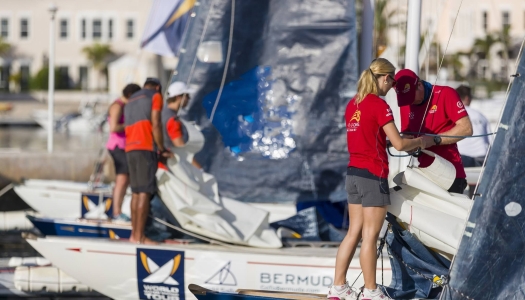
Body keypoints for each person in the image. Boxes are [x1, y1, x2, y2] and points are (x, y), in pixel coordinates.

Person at [327, 58, 434, 300]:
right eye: (393, 81)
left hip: (353, 173)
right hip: (372, 174)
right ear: (385, 78)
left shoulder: (352, 104)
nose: (392, 87)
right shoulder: (379, 104)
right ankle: (371, 292)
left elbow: (367, 136)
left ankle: (338, 287)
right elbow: (399, 143)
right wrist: (420, 141)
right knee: (370, 236)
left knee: (353, 232)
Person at [394, 69, 473, 194]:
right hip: (424, 174)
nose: (410, 102)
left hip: (450, 173)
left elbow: (466, 128)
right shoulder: (406, 103)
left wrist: (434, 140)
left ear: (419, 85)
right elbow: (407, 135)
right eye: (405, 99)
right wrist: (406, 144)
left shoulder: (446, 93)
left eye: (410, 97)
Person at [124, 77, 172, 245]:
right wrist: (162, 148)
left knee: (136, 192)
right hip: (145, 147)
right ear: (158, 87)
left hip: (130, 148)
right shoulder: (154, 96)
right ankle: (140, 237)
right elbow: (156, 123)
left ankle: (134, 235)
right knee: (145, 192)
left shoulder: (131, 100)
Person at [106, 83, 141, 221]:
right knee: (122, 179)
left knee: (127, 180)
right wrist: (133, 125)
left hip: (126, 146)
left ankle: (120, 210)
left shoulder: (126, 106)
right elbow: (114, 127)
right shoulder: (118, 106)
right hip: (117, 146)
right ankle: (116, 212)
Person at [455, 85, 491, 197]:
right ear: (467, 98)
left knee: (457, 189)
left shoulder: (454, 114)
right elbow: (491, 142)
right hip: (481, 157)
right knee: (476, 192)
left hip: (462, 158)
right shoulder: (481, 116)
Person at [160, 81, 202, 169]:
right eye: (187, 95)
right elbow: (180, 148)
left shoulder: (161, 113)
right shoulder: (172, 119)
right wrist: (199, 169)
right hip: (167, 168)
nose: (189, 98)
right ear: (179, 97)